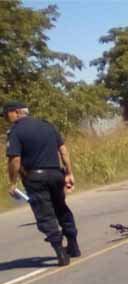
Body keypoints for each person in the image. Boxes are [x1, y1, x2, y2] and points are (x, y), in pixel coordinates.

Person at [4, 101, 79, 266]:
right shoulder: (47, 126)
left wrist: (13, 182)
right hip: (56, 174)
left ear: (16, 112)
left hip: (35, 178)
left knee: (45, 214)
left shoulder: (16, 131)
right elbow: (64, 150)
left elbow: (15, 159)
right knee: (61, 209)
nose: (5, 118)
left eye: (6, 114)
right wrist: (69, 172)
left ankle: (60, 252)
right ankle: (73, 245)